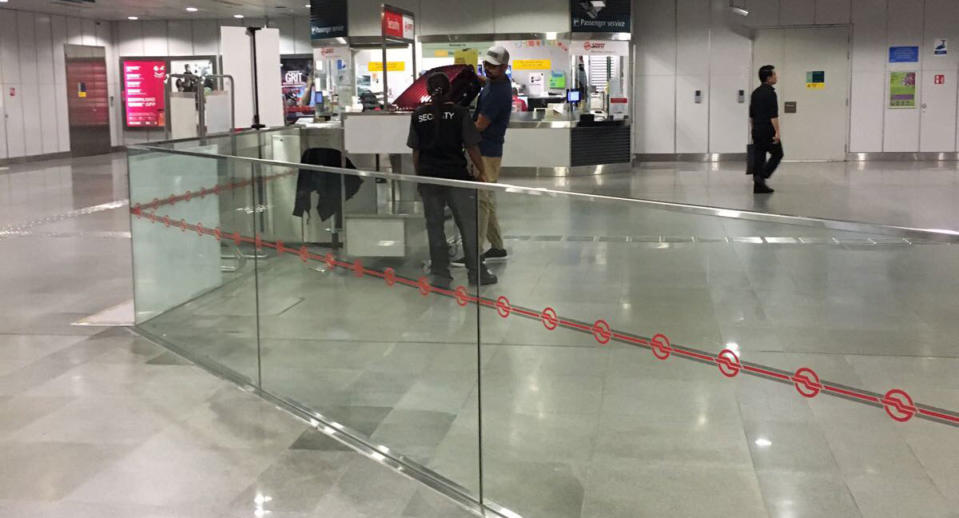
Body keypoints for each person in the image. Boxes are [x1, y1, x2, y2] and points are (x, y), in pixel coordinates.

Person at [407, 72, 498, 288]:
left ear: (428, 91)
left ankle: (440, 273)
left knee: (434, 225)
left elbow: (416, 152)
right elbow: (472, 146)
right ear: (449, 90)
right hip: (456, 177)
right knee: (468, 225)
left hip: (430, 178)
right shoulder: (459, 113)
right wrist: (482, 171)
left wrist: (420, 177)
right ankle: (477, 273)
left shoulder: (418, 115)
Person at [453, 46, 512, 267]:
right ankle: (497, 247)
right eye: (486, 65)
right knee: (487, 200)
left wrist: (456, 128)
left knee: (481, 202)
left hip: (486, 152)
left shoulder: (498, 93)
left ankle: (473, 253)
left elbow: (479, 126)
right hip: (486, 150)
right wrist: (473, 76)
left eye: (493, 67)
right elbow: (488, 83)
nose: (488, 69)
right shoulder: (495, 83)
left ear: (505, 67)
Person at [749, 65, 783, 194]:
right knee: (778, 153)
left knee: (759, 156)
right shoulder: (770, 93)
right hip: (768, 130)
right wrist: (777, 132)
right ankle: (762, 176)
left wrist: (754, 130)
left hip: (757, 130)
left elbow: (752, 115)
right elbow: (773, 116)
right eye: (774, 75)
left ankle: (758, 186)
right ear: (768, 78)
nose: (776, 77)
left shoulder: (755, 93)